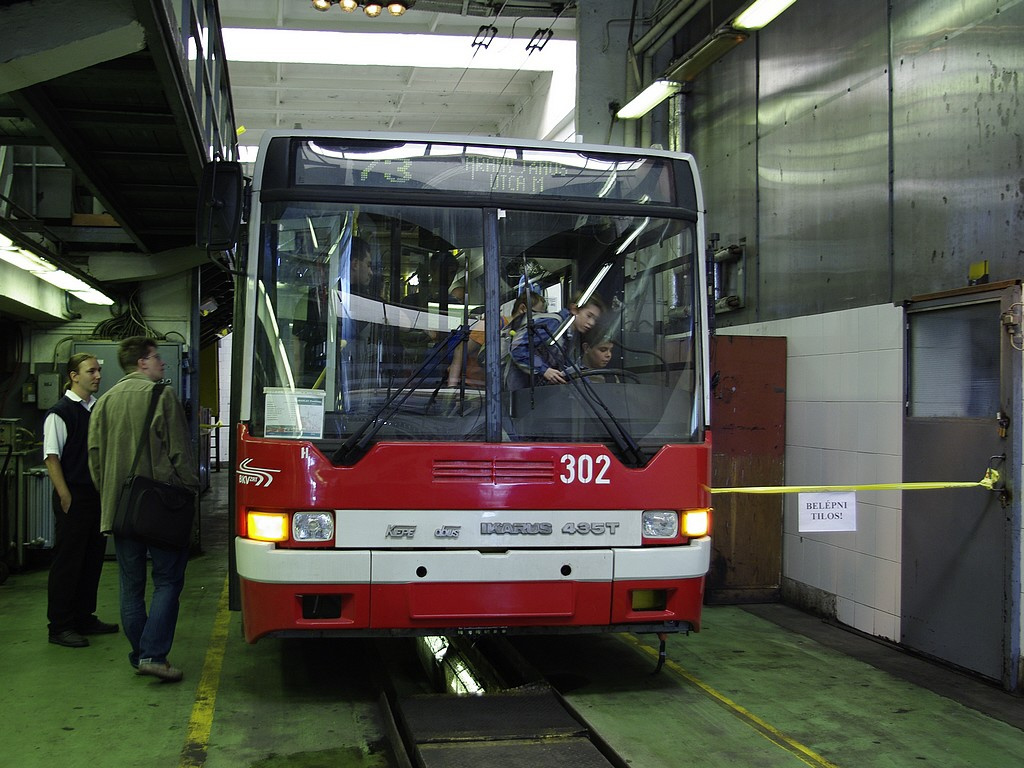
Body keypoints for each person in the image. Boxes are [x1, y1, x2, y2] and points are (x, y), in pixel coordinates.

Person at [87, 337, 198, 683]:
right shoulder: (160, 395)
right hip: (160, 508)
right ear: (141, 363)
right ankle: (153, 654)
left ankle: (140, 654)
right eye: (156, 358)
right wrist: (190, 491)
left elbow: (94, 459)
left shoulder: (102, 403)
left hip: (120, 511)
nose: (162, 364)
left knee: (130, 585)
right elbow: (179, 450)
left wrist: (111, 496)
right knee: (167, 580)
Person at [44, 353, 118, 648]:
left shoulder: (96, 409)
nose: (98, 375)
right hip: (73, 496)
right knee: (68, 562)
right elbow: (52, 458)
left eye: (99, 370)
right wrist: (65, 496)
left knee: (91, 559)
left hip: (95, 496)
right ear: (74, 376)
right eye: (91, 371)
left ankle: (84, 616)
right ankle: (60, 626)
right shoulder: (60, 413)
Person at [507, 293, 605, 388]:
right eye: (589, 316)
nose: (592, 323)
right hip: (518, 389)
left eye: (595, 319)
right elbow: (516, 347)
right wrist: (544, 370)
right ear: (574, 309)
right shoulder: (553, 324)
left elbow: (568, 365)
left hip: (535, 391)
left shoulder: (570, 334)